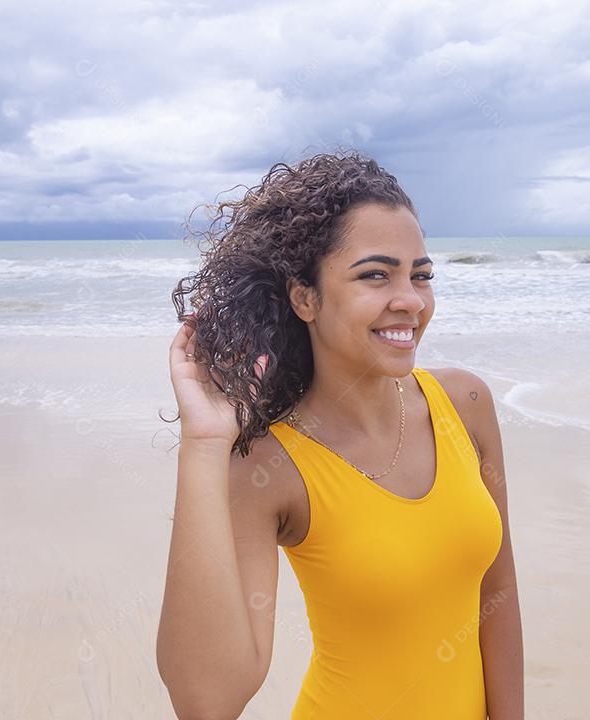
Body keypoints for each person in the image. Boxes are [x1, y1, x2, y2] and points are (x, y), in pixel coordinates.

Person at [156, 149, 523, 719]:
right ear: (304, 297)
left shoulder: (464, 404)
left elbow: (497, 598)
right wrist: (204, 447)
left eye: (420, 275)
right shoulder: (272, 468)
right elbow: (207, 702)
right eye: (375, 274)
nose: (409, 300)